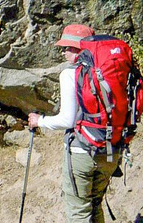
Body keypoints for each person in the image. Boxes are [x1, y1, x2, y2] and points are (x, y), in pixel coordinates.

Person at [28, 24, 121, 223]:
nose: (63, 52)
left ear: (79, 48)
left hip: (82, 152)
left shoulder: (70, 74)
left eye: (67, 48)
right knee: (95, 204)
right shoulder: (109, 69)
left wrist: (39, 121)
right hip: (112, 150)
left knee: (79, 212)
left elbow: (67, 120)